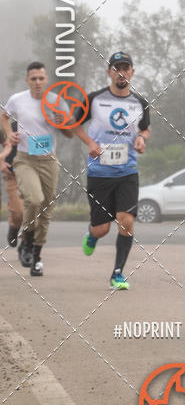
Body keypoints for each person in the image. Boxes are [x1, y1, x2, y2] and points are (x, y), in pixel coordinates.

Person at [72, 52, 150, 290]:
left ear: (132, 72)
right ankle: (92, 235)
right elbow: (74, 124)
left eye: (126, 68)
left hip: (127, 172)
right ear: (109, 72)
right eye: (117, 68)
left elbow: (145, 130)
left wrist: (142, 140)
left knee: (126, 221)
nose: (121, 72)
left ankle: (118, 273)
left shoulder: (140, 103)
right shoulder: (94, 99)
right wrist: (90, 143)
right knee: (102, 227)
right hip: (99, 173)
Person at [1, 62, 72, 276]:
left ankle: (36, 256)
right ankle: (27, 238)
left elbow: (69, 134)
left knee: (46, 209)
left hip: (49, 160)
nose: (38, 82)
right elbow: (4, 116)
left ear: (47, 79)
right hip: (25, 159)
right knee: (34, 199)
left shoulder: (57, 102)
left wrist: (63, 123)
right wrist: (8, 135)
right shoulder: (17, 100)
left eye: (41, 78)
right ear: (27, 80)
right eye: (34, 79)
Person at [0, 120, 23, 249]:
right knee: (19, 212)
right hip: (13, 175)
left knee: (35, 209)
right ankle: (14, 226)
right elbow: (5, 143)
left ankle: (27, 244)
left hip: (37, 175)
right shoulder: (11, 127)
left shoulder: (42, 127)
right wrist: (1, 160)